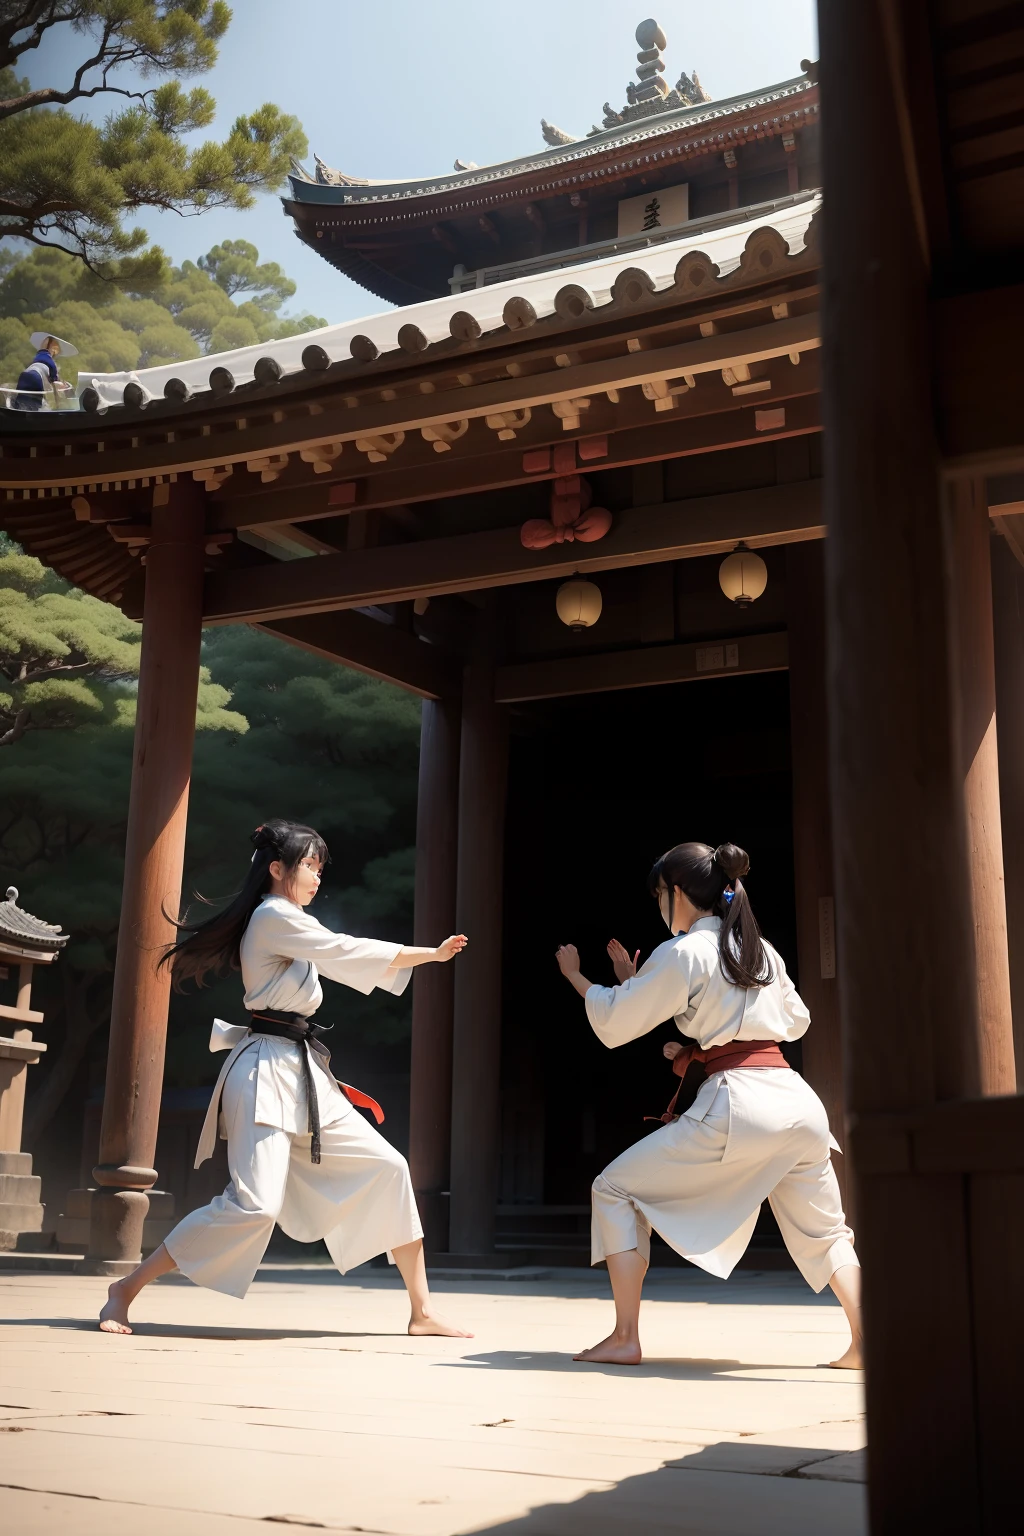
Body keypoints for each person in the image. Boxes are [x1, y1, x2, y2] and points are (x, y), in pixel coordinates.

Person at [99, 819, 470, 1337]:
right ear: (277, 870)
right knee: (255, 1205)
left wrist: (419, 956)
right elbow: (343, 950)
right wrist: (425, 955)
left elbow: (337, 956)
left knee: (389, 1167)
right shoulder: (273, 916)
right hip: (265, 1073)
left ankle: (421, 1310)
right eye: (308, 866)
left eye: (321, 867)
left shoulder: (288, 919)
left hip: (301, 1072)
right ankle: (127, 1288)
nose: (317, 877)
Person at [555, 841, 862, 1370]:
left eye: (659, 896)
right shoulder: (759, 949)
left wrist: (583, 979)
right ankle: (868, 1340)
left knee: (612, 1188)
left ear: (675, 893)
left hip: (740, 1104)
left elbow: (618, 1020)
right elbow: (795, 1020)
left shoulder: (684, 952)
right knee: (826, 1231)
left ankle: (625, 1336)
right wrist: (682, 1021)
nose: (659, 907)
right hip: (797, 1102)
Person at [13, 333, 76, 411]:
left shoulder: (37, 359)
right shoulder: (51, 363)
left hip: (25, 374)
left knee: (21, 398)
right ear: (54, 350)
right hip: (37, 379)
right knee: (35, 403)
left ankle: (17, 407)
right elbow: (54, 380)